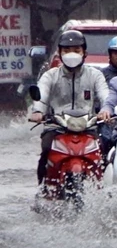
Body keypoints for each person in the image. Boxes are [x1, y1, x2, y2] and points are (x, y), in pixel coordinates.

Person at [28, 30, 109, 185]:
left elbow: (105, 95)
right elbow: (42, 94)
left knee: (103, 149)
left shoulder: (95, 75)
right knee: (46, 149)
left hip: (88, 126)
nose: (71, 54)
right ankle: (43, 187)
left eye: (76, 50)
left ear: (85, 52)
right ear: (59, 53)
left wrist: (106, 110)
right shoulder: (50, 75)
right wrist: (38, 111)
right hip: (56, 126)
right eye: (66, 50)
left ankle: (101, 187)